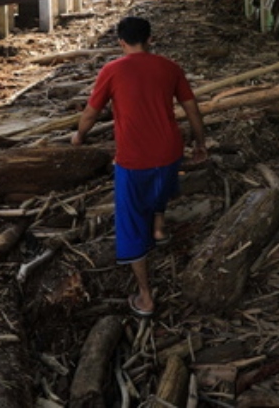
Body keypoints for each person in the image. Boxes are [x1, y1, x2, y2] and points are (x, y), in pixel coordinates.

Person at [71, 16, 207, 318]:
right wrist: (200, 143)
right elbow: (192, 109)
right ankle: (158, 229)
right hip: (171, 151)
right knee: (161, 187)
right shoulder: (170, 67)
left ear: (121, 42)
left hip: (134, 160)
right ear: (150, 38)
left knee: (131, 225)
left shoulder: (112, 70)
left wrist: (79, 135)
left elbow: (91, 114)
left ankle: (146, 297)